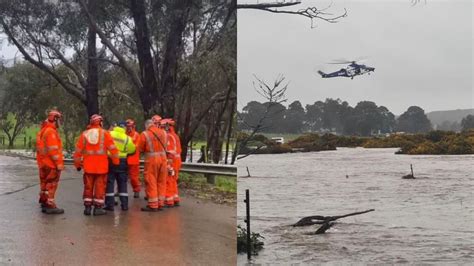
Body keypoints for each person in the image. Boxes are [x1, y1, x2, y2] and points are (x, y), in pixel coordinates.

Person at [73, 114, 120, 216]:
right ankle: (98, 208)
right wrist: (116, 162)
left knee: (88, 187)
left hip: (88, 167)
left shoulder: (84, 134)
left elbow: (77, 152)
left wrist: (77, 165)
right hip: (101, 167)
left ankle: (87, 207)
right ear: (100, 122)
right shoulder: (105, 134)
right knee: (100, 187)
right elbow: (113, 149)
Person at [36, 110, 65, 214]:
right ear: (55, 119)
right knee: (52, 184)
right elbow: (53, 151)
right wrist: (59, 164)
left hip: (43, 163)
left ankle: (44, 202)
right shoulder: (51, 132)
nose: (60, 123)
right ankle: (50, 205)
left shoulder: (43, 130)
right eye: (60, 120)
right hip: (50, 164)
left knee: (44, 184)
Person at [137, 116, 168, 211]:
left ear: (147, 126)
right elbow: (166, 145)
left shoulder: (145, 134)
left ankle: (153, 205)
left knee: (151, 181)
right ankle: (161, 203)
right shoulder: (163, 132)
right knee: (161, 181)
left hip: (152, 160)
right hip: (163, 159)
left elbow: (140, 148)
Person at [104, 121, 136, 211]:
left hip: (110, 160)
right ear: (124, 128)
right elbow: (132, 150)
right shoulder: (127, 138)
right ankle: (124, 205)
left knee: (110, 182)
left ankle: (109, 205)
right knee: (122, 183)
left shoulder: (109, 134)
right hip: (122, 162)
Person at [161, 119, 182, 207]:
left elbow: (169, 151)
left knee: (168, 180)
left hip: (171, 160)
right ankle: (175, 198)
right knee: (173, 180)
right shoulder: (175, 135)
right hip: (176, 160)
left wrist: (168, 163)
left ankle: (169, 200)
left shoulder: (168, 136)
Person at [125, 119, 141, 198]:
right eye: (127, 126)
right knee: (121, 176)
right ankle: (120, 190)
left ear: (133, 126)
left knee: (133, 177)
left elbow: (136, 147)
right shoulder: (124, 134)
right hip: (124, 159)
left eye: (130, 126)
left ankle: (136, 190)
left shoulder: (137, 135)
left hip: (133, 160)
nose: (128, 128)